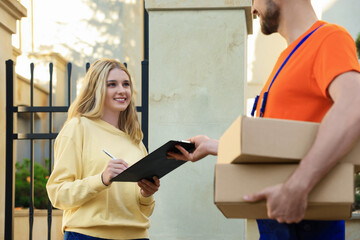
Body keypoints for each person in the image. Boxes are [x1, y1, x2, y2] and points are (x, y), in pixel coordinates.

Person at [167, 0, 360, 239]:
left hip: (307, 219)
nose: (252, 9)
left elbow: (354, 106)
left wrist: (298, 186)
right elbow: (279, 146)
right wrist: (213, 145)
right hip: (278, 220)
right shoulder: (284, 60)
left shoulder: (328, 37)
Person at [46, 58, 160, 240]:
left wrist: (147, 194)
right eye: (112, 84)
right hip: (88, 235)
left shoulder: (135, 139)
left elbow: (145, 210)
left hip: (137, 235)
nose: (122, 90)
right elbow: (58, 194)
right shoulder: (77, 128)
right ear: (96, 89)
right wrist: (101, 179)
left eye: (126, 84)